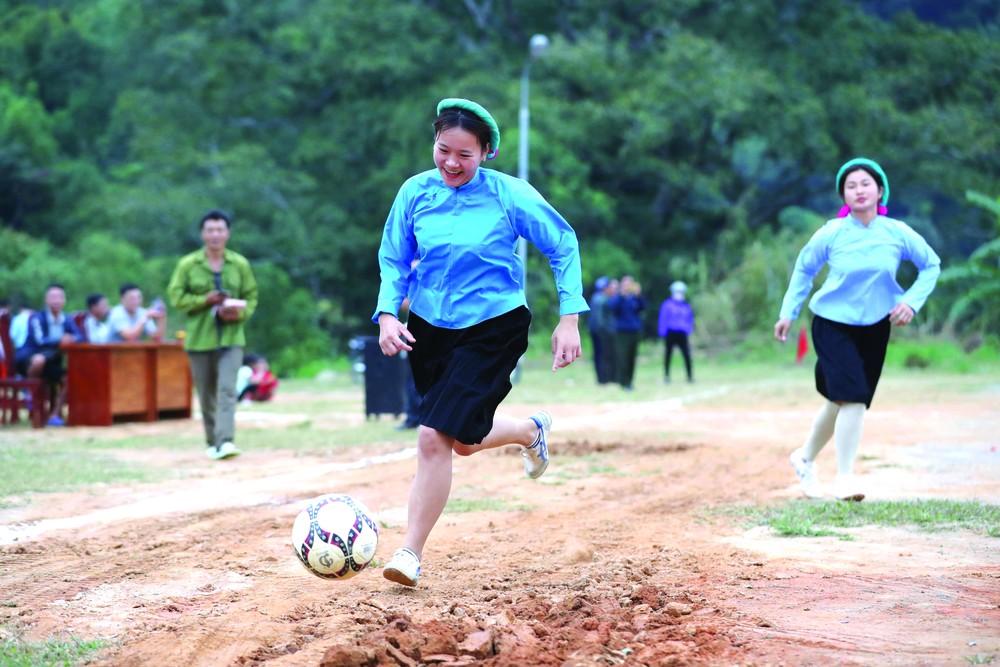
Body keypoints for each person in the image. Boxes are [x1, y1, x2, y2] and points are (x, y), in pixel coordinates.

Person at [373, 98, 588, 587]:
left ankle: (409, 552)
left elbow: (563, 243)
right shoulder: (414, 193)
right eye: (443, 149)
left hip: (493, 326)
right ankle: (530, 430)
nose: (451, 162)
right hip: (429, 328)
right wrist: (388, 313)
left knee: (433, 436)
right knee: (464, 441)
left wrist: (569, 317)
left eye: (464, 155)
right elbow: (394, 257)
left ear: (486, 153)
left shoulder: (509, 195)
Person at [774, 158, 940, 501]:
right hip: (832, 323)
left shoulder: (897, 232)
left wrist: (911, 302)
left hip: (877, 325)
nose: (859, 190)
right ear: (844, 196)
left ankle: (803, 458)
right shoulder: (831, 233)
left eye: (866, 184)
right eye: (851, 186)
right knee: (853, 396)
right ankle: (846, 478)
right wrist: (788, 313)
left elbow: (931, 265)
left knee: (842, 400)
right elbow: (804, 271)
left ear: (880, 190)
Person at [168, 210, 258, 461]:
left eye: (220, 230)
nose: (215, 234)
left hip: (231, 338)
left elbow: (251, 297)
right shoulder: (187, 265)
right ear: (202, 233)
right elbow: (177, 297)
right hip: (199, 339)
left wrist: (238, 313)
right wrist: (204, 300)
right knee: (206, 394)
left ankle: (226, 441)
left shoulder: (239, 263)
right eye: (210, 230)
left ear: (227, 234)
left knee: (227, 390)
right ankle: (212, 442)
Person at [13, 283, 84, 426]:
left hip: (52, 362)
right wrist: (61, 340)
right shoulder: (37, 318)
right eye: (53, 297)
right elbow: (40, 341)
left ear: (64, 300)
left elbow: (80, 336)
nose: (57, 300)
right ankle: (32, 398)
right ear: (46, 300)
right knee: (39, 360)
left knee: (70, 377)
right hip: (30, 360)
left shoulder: (66, 319)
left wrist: (71, 339)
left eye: (60, 297)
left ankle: (54, 414)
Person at [608, 275, 646, 391]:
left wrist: (638, 295)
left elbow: (643, 307)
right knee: (622, 357)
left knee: (631, 357)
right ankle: (623, 381)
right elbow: (612, 307)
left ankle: (629, 381)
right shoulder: (618, 297)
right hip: (622, 331)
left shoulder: (634, 298)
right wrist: (622, 294)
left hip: (634, 330)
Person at [658, 281, 695, 383]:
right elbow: (663, 318)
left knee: (687, 355)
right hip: (670, 332)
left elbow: (689, 319)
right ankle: (666, 376)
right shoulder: (667, 305)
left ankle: (690, 376)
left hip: (682, 333)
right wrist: (662, 331)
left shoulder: (685, 306)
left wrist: (689, 329)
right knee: (668, 355)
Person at [587, 276, 613, 384]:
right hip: (601, 332)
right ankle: (604, 379)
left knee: (597, 354)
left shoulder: (595, 297)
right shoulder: (604, 299)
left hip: (593, 330)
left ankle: (600, 378)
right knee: (604, 355)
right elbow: (601, 319)